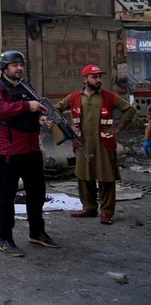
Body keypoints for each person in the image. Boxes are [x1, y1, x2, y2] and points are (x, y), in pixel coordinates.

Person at [0, 51, 59, 257]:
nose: (19, 68)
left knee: (36, 194)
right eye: (14, 64)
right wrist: (27, 105)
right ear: (4, 67)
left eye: (21, 64)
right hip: (9, 152)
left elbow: (40, 109)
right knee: (7, 198)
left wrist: (43, 119)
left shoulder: (27, 87)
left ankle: (37, 232)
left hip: (32, 150)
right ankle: (5, 239)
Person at [55, 64, 136, 225]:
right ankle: (89, 208)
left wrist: (117, 127)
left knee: (106, 179)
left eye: (99, 76)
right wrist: (67, 127)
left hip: (104, 144)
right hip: (82, 144)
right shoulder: (74, 97)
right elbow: (56, 109)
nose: (98, 79)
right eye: (94, 77)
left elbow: (130, 110)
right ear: (85, 79)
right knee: (84, 178)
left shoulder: (109, 96)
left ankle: (107, 212)